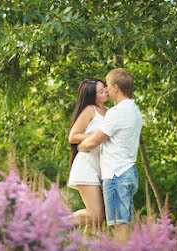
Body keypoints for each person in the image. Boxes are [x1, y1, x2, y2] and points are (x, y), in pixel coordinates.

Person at [78, 68, 142, 240]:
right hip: (129, 172)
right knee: (123, 225)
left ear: (115, 87)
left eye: (107, 85)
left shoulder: (117, 112)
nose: (106, 89)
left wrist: (80, 147)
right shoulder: (135, 110)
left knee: (119, 227)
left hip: (116, 175)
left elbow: (94, 141)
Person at [68, 78, 109, 229]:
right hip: (86, 167)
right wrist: (94, 135)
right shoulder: (90, 110)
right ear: (93, 96)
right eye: (101, 90)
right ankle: (56, 223)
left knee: (99, 219)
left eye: (105, 87)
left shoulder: (110, 112)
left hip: (101, 168)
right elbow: (73, 137)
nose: (106, 90)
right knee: (96, 215)